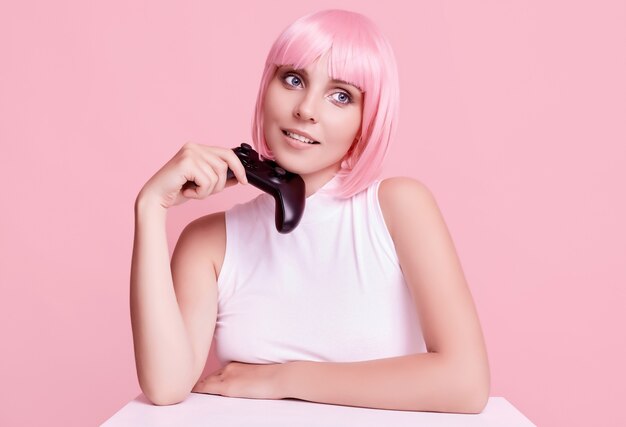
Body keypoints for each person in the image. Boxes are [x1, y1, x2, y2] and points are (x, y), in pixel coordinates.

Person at [130, 9, 490, 413]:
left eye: (341, 95)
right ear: (267, 87)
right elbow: (165, 385)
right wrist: (150, 207)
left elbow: (466, 383)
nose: (306, 109)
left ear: (366, 121)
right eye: (294, 79)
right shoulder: (208, 242)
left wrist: (282, 378)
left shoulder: (399, 208)